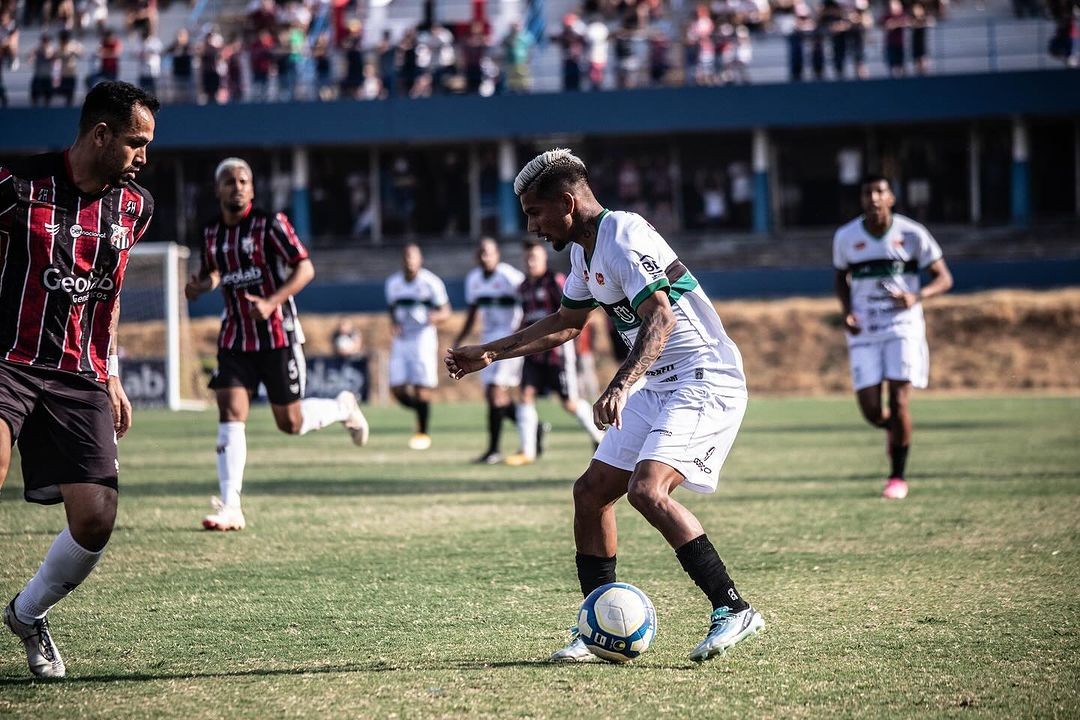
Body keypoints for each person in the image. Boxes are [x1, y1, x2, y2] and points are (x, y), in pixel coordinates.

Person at [446, 149, 764, 663]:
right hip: (660, 383)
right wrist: (490, 352)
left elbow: (662, 319)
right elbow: (567, 323)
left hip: (705, 378)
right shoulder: (584, 253)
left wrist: (619, 385)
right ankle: (597, 627)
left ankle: (733, 608)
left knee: (647, 490)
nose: (531, 227)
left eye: (534, 212)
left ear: (567, 203)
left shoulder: (624, 235)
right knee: (591, 493)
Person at [0, 81, 158, 679]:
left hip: (80, 374)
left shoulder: (135, 208)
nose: (143, 157)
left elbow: (110, 294)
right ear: (101, 134)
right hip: (9, 362)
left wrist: (111, 372)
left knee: (95, 518)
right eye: (136, 143)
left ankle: (27, 613)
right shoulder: (16, 185)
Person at [184, 157, 369, 532]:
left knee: (290, 422)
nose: (237, 187)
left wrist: (271, 302)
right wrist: (201, 285)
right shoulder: (210, 232)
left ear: (252, 188)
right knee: (230, 411)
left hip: (277, 336)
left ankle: (342, 406)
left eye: (244, 181)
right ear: (217, 190)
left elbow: (305, 267)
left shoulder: (271, 224)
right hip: (235, 337)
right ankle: (231, 506)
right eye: (229, 181)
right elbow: (214, 273)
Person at [833, 174, 953, 500]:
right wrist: (847, 311)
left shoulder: (913, 234)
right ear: (861, 199)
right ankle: (895, 431)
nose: (873, 197)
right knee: (872, 411)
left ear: (891, 197)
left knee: (899, 401)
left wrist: (917, 296)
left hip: (903, 327)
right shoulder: (846, 236)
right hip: (865, 330)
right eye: (867, 192)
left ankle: (897, 477)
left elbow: (944, 278)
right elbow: (841, 278)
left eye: (879, 191)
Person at [503, 240, 605, 466]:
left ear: (544, 259)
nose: (530, 262)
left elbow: (573, 315)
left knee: (569, 403)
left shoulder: (555, 281)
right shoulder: (523, 287)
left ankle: (600, 438)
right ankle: (527, 452)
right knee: (525, 395)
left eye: (534, 258)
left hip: (558, 354)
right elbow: (525, 317)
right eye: (527, 258)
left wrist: (578, 347)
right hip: (532, 353)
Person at [453, 238, 525, 464]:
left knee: (495, 391)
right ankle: (532, 426)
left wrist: (523, 335)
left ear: (497, 254)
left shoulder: (510, 276)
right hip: (487, 340)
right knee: (493, 396)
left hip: (509, 340)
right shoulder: (473, 279)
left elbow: (528, 300)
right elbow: (472, 312)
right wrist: (460, 338)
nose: (485, 257)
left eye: (489, 252)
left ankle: (493, 450)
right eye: (481, 253)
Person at [386, 243, 449, 450]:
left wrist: (435, 317)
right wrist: (394, 323)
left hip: (423, 338)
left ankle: (422, 433)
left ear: (420, 259)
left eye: (413, 257)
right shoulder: (393, 283)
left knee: (421, 387)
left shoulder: (431, 283)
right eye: (406, 257)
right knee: (396, 388)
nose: (409, 261)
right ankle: (421, 410)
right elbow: (392, 309)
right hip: (402, 339)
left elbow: (446, 311)